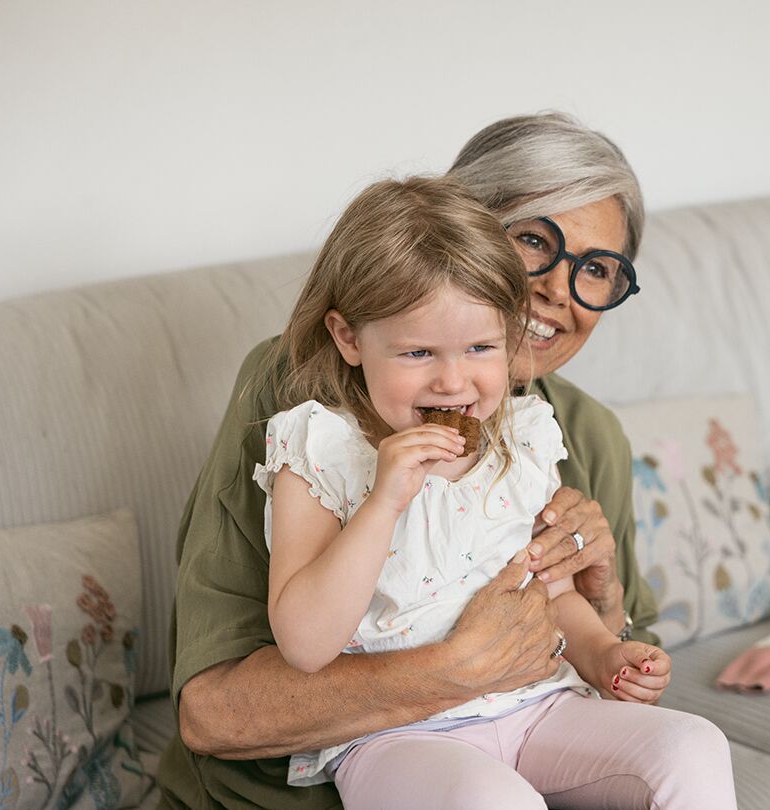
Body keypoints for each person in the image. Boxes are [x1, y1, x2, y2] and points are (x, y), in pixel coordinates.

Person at [157, 114, 682, 809]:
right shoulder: (298, 399)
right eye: (533, 240)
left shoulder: (577, 434)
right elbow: (211, 712)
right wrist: (450, 670)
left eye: (597, 270)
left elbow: (615, 670)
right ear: (459, 233)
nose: (560, 290)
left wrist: (603, 603)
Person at [251, 175, 734, 808]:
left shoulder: (526, 436)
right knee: (493, 800)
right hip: (397, 737)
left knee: (692, 745)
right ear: (348, 339)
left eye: (480, 347)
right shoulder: (320, 450)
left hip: (537, 707)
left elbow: (552, 593)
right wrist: (384, 502)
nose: (454, 382)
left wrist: (604, 654)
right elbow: (306, 646)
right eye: (418, 351)